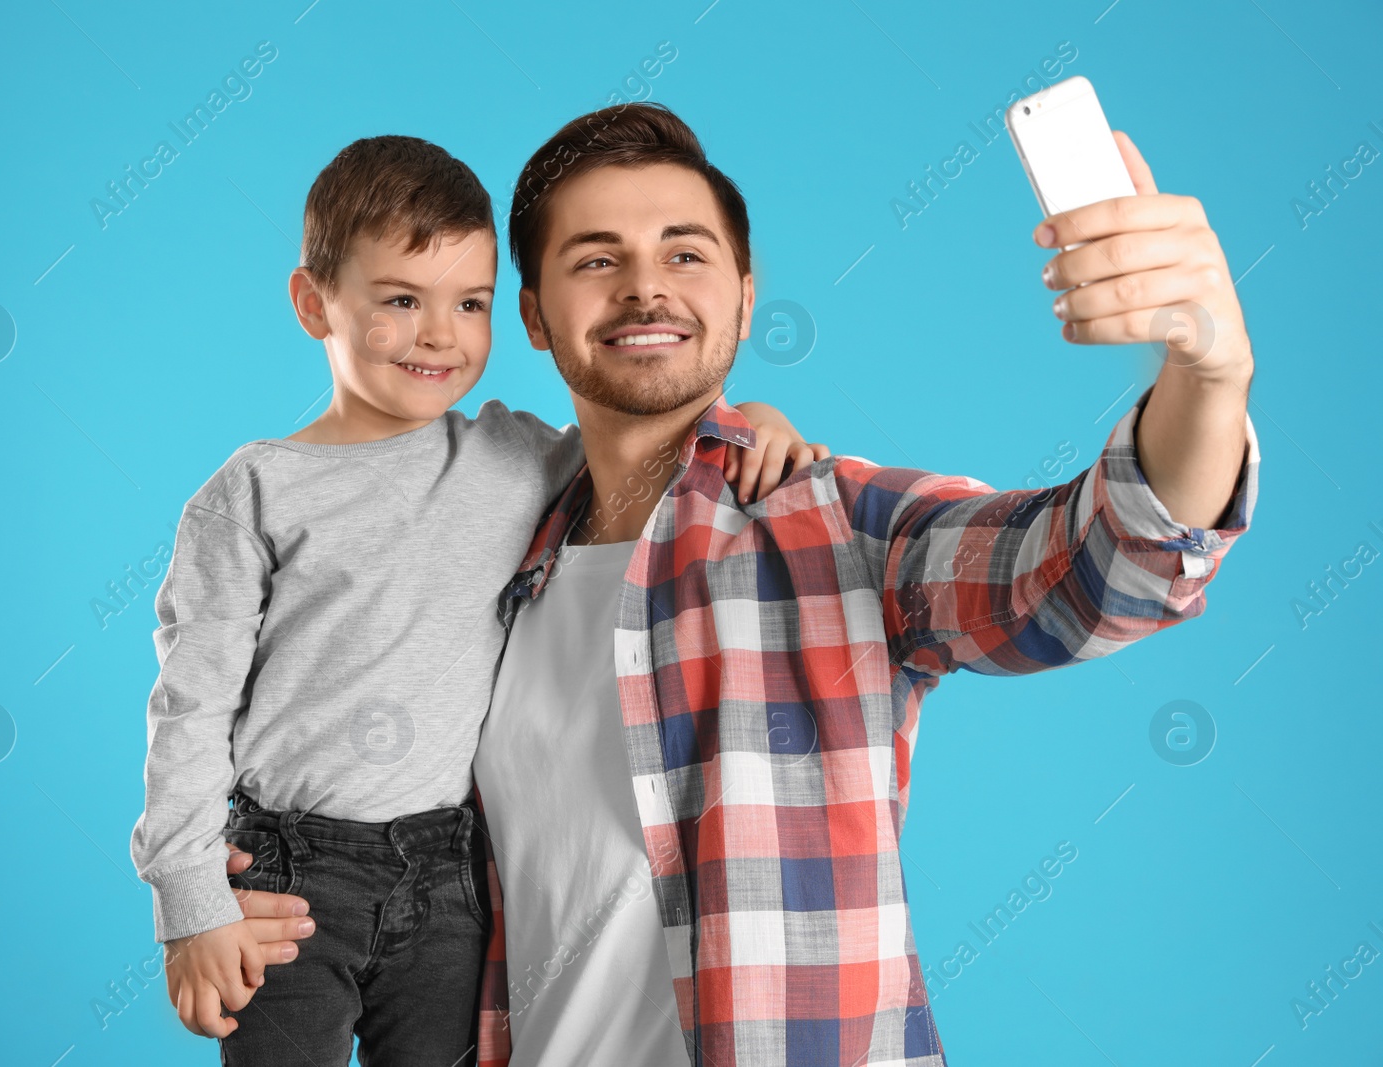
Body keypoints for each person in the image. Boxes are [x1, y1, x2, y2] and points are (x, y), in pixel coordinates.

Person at [229, 102, 1260, 1066]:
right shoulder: (498, 550)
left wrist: (1207, 377)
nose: (646, 287)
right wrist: (248, 872)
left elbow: (1092, 566)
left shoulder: (833, 523)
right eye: (599, 260)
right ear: (534, 316)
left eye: (685, 252)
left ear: (743, 294)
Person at [129, 133, 823, 1066]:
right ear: (312, 303)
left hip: (453, 875)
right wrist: (190, 904)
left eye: (472, 304)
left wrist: (757, 422)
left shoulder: (516, 453)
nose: (440, 334)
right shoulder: (254, 490)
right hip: (293, 880)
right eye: (401, 301)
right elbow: (189, 705)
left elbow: (660, 433)